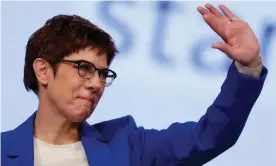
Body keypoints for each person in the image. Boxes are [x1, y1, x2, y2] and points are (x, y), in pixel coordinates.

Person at [1, 3, 268, 166]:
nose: (96, 84)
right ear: (44, 71)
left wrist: (249, 66)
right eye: (84, 68)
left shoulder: (128, 147)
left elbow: (208, 137)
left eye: (103, 74)